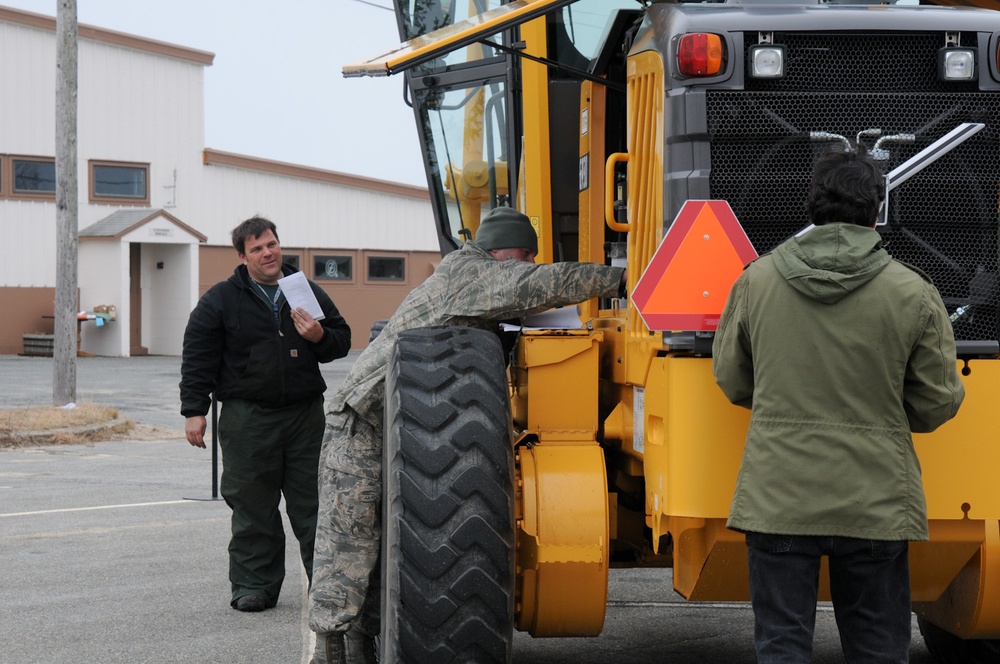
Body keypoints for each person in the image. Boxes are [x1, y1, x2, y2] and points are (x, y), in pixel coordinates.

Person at [308, 206, 627, 663]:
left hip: (389, 419)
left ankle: (356, 650)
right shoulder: (471, 273)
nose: (529, 263)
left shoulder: (471, 275)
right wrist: (619, 279)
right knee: (350, 546)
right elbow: (542, 284)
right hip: (360, 421)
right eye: (524, 254)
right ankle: (327, 652)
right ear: (500, 251)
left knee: (376, 548)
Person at [712, 146, 965, 663]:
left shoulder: (756, 281)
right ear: (877, 210)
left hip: (778, 497)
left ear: (813, 207)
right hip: (874, 501)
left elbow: (733, 379)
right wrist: (887, 417)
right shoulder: (913, 292)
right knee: (877, 650)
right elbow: (938, 402)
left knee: (782, 647)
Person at [180, 216, 352, 613]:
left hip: (304, 418)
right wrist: (195, 411)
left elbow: (341, 341)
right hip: (247, 418)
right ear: (243, 256)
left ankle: (326, 588)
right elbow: (198, 356)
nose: (267, 252)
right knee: (252, 506)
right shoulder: (222, 299)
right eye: (257, 248)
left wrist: (319, 336)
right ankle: (253, 585)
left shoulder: (303, 291)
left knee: (314, 505)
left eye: (271, 244)